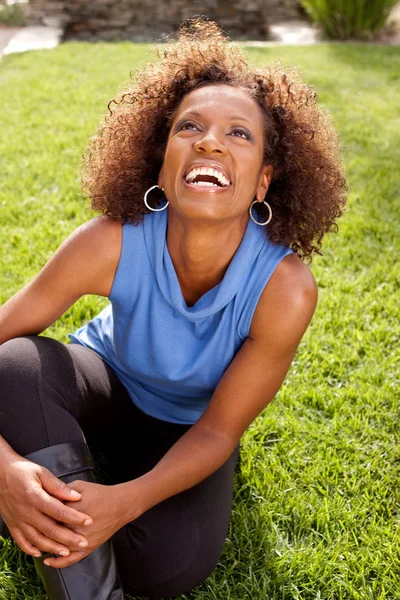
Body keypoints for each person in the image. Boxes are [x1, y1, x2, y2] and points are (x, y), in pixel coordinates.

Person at [0, 17, 347, 600]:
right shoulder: (110, 241)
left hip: (190, 427)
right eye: (190, 126)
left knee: (168, 565)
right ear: (162, 160)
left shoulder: (285, 289)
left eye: (239, 134)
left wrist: (124, 502)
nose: (210, 141)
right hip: (106, 385)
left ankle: (62, 525)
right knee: (17, 366)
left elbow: (218, 431)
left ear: (263, 182)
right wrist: (4, 472)